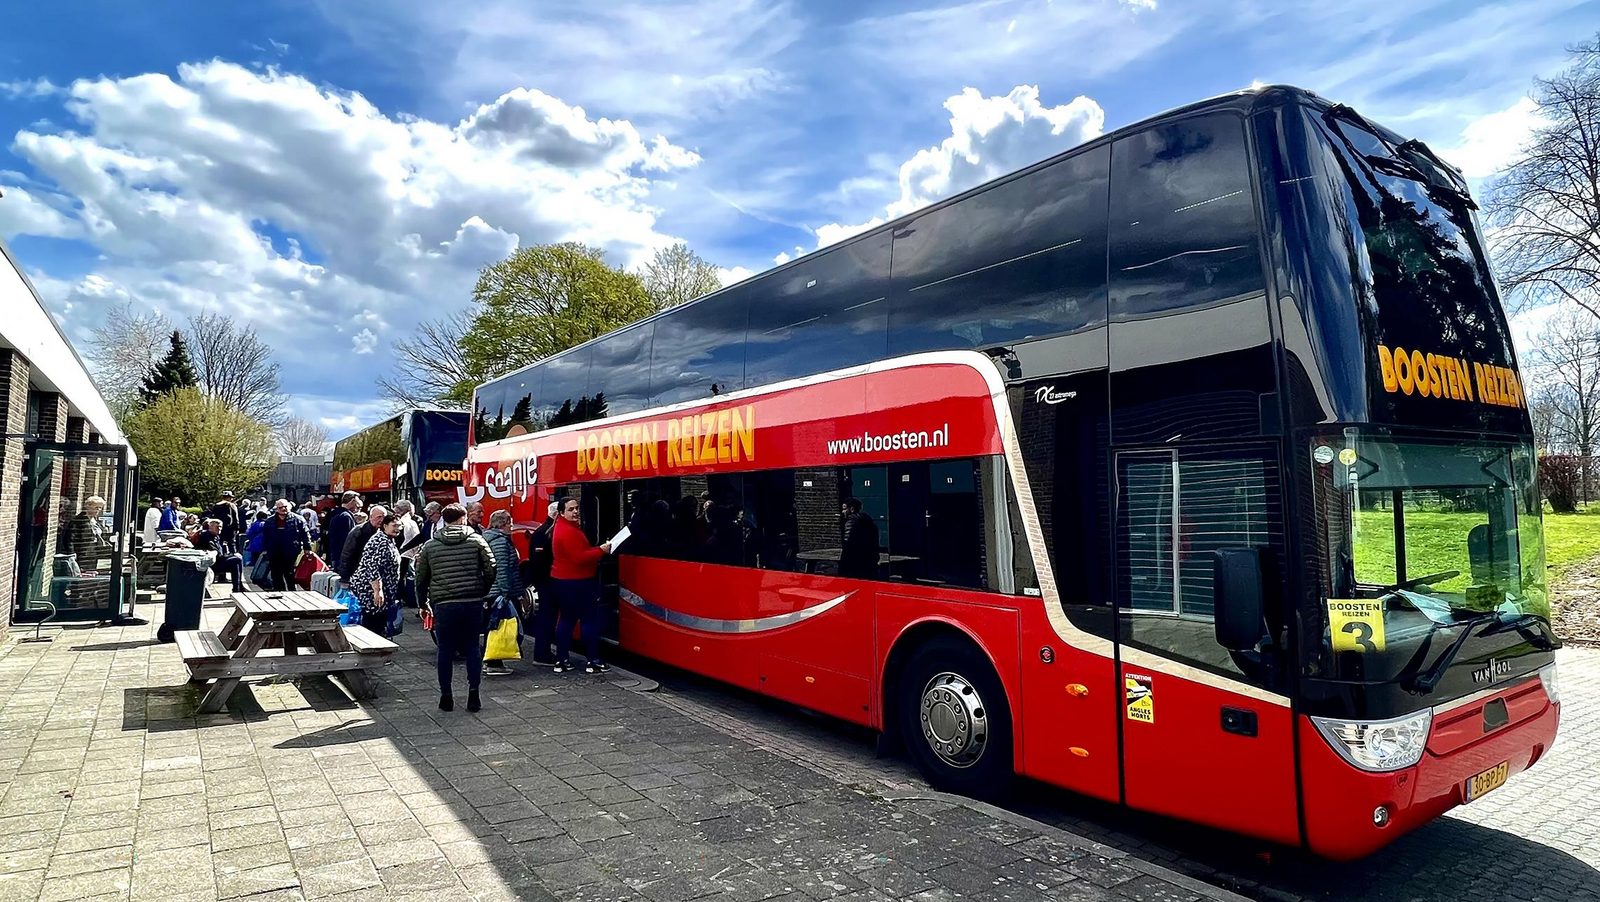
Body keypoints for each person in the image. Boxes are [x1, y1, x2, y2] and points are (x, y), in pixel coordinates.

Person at [416, 503, 496, 713]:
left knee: (445, 649)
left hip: (444, 603)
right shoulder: (476, 540)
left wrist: (422, 602)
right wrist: (482, 589)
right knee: (472, 647)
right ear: (462, 518)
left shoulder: (431, 545)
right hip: (472, 601)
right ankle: (474, 694)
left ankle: (446, 696)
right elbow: (491, 567)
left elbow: (421, 578)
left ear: (444, 519)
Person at [550, 497, 613, 674]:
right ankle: (593, 661)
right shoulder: (568, 531)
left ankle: (561, 660)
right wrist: (601, 549)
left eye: (577, 508)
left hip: (563, 581)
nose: (576, 512)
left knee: (566, 620)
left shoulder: (562, 527)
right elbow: (579, 557)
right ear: (562, 512)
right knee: (589, 621)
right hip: (577, 582)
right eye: (571, 509)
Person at [482, 509, 526, 675]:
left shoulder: (490, 538)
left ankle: (493, 661)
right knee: (497, 627)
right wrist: (506, 592)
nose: (512, 526)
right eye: (510, 523)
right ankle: (493, 663)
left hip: (493, 591)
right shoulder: (500, 542)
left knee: (494, 626)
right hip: (499, 592)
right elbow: (502, 569)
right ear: (503, 523)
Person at [351, 512, 403, 634]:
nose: (398, 529)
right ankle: (374, 648)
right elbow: (373, 566)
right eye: (394, 525)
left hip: (379, 588)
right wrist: (377, 591)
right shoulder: (381, 541)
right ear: (385, 526)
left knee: (378, 621)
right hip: (370, 589)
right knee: (374, 623)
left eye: (400, 526)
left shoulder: (387, 539)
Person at [525, 502, 560, 665]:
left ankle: (544, 652)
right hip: (547, 582)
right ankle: (542, 654)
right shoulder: (543, 532)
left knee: (549, 618)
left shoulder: (547, 530)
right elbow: (539, 562)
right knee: (546, 618)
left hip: (547, 581)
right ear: (556, 514)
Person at [260, 499, 312, 590]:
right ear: (276, 509)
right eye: (281, 507)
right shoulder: (269, 521)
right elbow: (265, 537)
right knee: (276, 574)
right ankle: (280, 592)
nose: (283, 509)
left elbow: (305, 533)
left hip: (291, 551)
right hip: (274, 551)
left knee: (289, 573)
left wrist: (307, 548)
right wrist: (265, 549)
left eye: (285, 507)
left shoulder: (298, 519)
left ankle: (292, 592)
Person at [192, 518, 245, 593]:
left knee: (238, 559)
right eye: (217, 527)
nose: (220, 529)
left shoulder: (216, 536)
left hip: (218, 560)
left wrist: (230, 554)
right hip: (211, 563)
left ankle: (239, 586)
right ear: (210, 527)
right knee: (236, 560)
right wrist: (228, 555)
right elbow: (215, 552)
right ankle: (237, 589)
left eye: (221, 527)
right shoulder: (206, 537)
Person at [339, 505, 387, 579]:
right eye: (379, 517)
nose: (382, 520)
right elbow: (347, 554)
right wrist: (345, 577)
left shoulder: (384, 532)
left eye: (384, 517)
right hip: (358, 574)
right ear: (371, 517)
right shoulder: (358, 531)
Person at [66, 495, 113, 571]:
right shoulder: (79, 520)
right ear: (88, 506)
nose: (98, 510)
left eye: (100, 508)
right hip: (83, 554)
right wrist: (72, 555)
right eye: (96, 508)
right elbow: (70, 539)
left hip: (94, 554)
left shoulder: (95, 520)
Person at [839, 497, 879, 579]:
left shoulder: (851, 521)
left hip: (854, 562)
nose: (842, 512)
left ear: (852, 509)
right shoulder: (868, 521)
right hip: (868, 560)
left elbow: (847, 543)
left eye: (844, 509)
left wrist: (843, 564)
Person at [325, 491, 361, 571]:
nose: (358, 506)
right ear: (352, 501)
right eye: (357, 502)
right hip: (343, 558)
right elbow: (347, 540)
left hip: (336, 555)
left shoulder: (336, 513)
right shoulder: (346, 517)